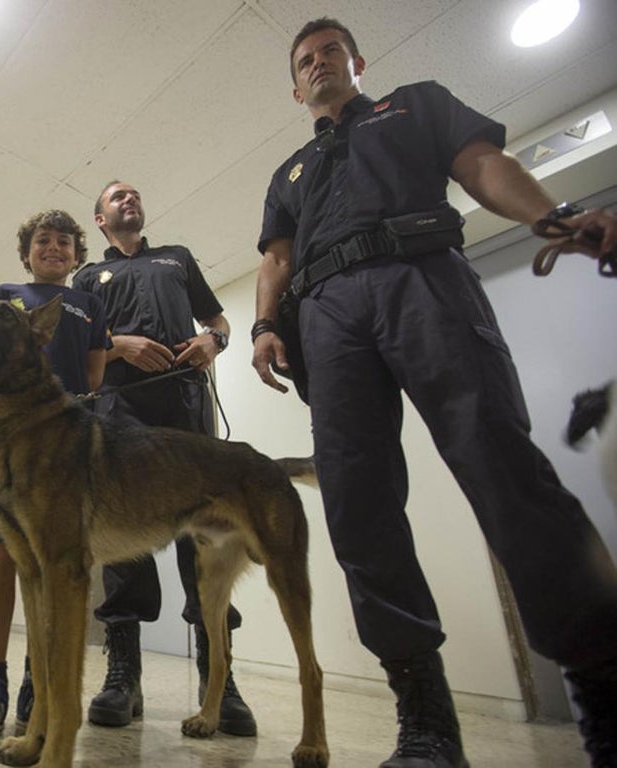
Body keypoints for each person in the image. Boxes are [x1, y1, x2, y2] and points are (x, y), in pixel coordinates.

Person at [251, 18, 617, 768]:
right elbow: (277, 259)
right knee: (357, 505)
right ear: (295, 88)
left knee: (500, 463)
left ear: (356, 62)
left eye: (330, 53)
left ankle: (603, 689)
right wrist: (262, 327)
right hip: (326, 318)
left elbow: (483, 164)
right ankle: (425, 721)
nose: (319, 64)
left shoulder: (415, 106)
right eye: (305, 61)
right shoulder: (288, 172)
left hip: (422, 277)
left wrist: (552, 217)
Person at [71, 181, 256, 736]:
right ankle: (123, 677)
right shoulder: (86, 278)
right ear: (100, 219)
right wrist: (119, 343)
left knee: (206, 535)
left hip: (184, 408)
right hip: (118, 410)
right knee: (124, 538)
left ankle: (216, 679)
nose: (129, 200)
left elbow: (219, 322)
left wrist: (213, 343)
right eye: (117, 197)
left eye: (134, 195)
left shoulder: (176, 259)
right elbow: (78, 349)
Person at [0, 210, 110, 746]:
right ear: (27, 252)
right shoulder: (5, 294)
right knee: (2, 551)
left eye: (64, 242)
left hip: (65, 447)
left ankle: (35, 683)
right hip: (4, 438)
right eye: (43, 240)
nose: (54, 247)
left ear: (76, 254)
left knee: (55, 563)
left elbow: (94, 376)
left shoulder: (90, 304)